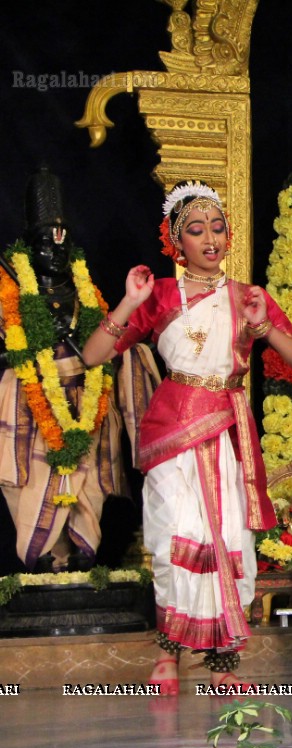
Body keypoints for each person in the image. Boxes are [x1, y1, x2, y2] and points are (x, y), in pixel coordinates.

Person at [82, 181, 292, 693]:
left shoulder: (248, 297)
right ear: (175, 242)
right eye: (195, 229)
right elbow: (94, 355)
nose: (210, 238)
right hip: (173, 431)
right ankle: (168, 652)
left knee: (229, 538)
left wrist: (264, 329)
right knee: (175, 537)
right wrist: (128, 301)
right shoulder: (160, 295)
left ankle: (222, 662)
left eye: (217, 227)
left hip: (227, 431)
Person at [1, 167, 155, 572]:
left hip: (86, 403)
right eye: (45, 247)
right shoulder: (10, 291)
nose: (55, 254)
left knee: (85, 488)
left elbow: (107, 344)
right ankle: (46, 563)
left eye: (62, 247)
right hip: (29, 406)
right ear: (30, 249)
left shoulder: (85, 292)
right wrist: (29, 344)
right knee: (31, 485)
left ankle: (77, 563)